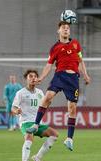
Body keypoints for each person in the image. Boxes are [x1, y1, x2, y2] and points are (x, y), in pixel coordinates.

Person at [26, 21, 91, 151]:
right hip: (60, 76)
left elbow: (80, 61)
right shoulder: (55, 48)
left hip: (73, 79)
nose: (66, 30)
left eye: (68, 28)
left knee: (72, 108)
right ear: (59, 31)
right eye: (63, 28)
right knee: (47, 97)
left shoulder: (76, 44)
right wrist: (41, 78)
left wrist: (86, 75)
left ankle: (69, 139)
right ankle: (36, 125)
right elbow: (49, 65)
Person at [12, 69, 58, 161]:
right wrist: (16, 111)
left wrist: (48, 102)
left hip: (37, 123)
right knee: (29, 137)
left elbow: (44, 105)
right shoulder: (21, 93)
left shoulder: (40, 92)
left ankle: (37, 157)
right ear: (26, 79)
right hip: (26, 122)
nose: (33, 78)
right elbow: (13, 107)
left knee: (54, 134)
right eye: (30, 76)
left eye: (35, 76)